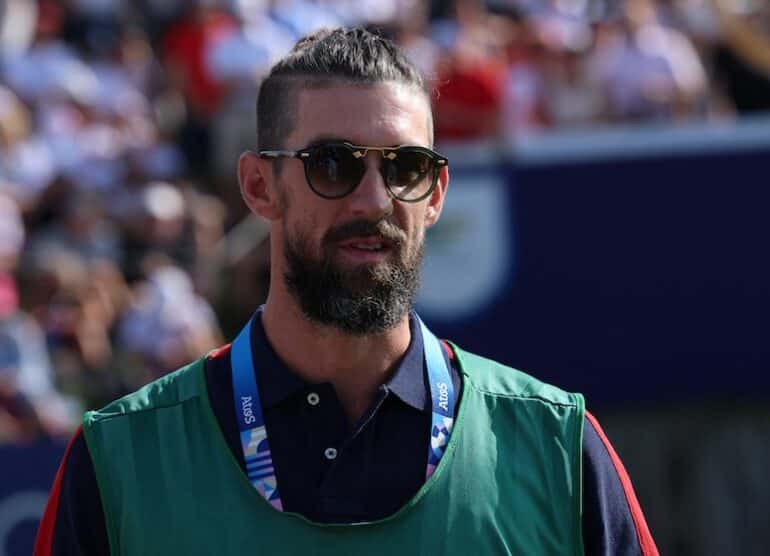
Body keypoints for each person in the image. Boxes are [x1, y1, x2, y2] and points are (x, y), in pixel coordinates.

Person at [35, 27, 658, 555]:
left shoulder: (556, 448)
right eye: (332, 164)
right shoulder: (120, 460)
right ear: (258, 186)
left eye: (404, 167)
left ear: (436, 194)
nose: (375, 199)